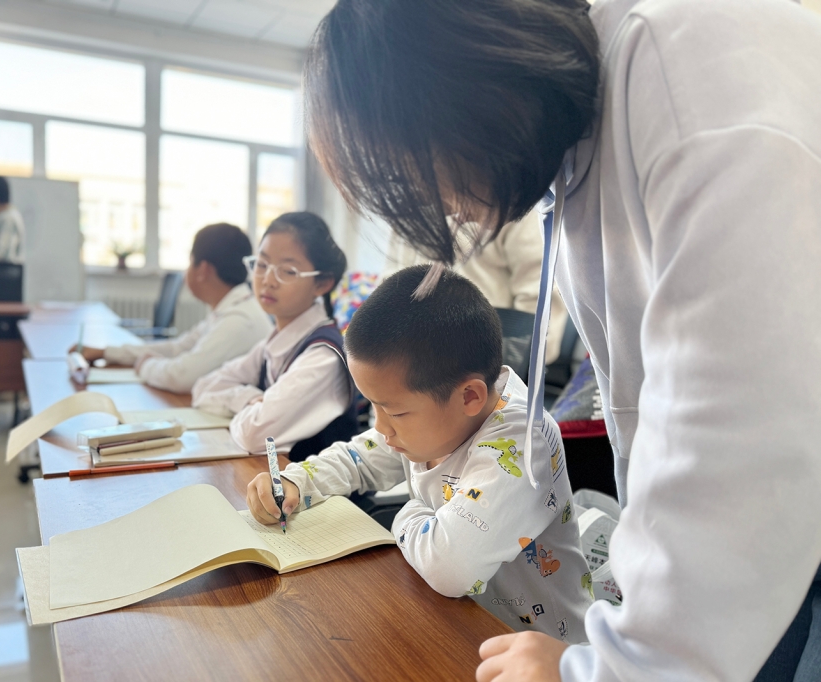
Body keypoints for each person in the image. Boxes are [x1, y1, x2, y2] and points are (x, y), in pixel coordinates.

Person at [303, 1, 821, 681]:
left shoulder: (680, 60)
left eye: (416, 171)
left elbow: (746, 442)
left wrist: (609, 667)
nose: (443, 205)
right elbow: (648, 412)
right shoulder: (575, 161)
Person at [246, 265, 593, 640]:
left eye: (393, 412)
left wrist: (408, 512)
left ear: (469, 396)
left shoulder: (522, 443)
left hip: (544, 649)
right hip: (458, 622)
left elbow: (450, 568)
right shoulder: (435, 419)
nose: (381, 427)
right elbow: (358, 458)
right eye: (374, 406)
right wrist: (296, 481)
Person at [192, 212, 359, 460]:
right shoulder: (275, 342)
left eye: (288, 271)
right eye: (261, 265)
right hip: (270, 476)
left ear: (322, 283)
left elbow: (254, 435)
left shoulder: (322, 357)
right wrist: (247, 398)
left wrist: (244, 404)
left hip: (313, 485)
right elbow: (202, 388)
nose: (268, 280)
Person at [73, 223, 273, 394]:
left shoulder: (239, 320)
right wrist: (107, 353)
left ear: (203, 270)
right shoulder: (229, 308)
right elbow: (177, 348)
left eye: (190, 262)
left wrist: (146, 365)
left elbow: (182, 377)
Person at [386, 213, 570, 364]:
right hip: (408, 357)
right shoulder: (406, 201)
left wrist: (509, 364)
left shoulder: (517, 205)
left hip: (480, 360)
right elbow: (390, 285)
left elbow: (538, 297)